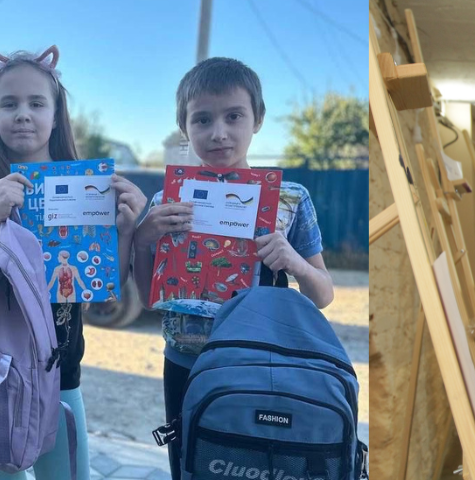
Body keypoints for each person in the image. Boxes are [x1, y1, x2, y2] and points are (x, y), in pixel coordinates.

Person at [0, 47, 148, 479]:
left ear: (56, 116)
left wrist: (127, 230)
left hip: (61, 373)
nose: (23, 114)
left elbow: (103, 286)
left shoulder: (84, 187)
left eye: (37, 103)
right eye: (9, 103)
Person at [131, 57, 335, 474]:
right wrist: (142, 239)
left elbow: (324, 295)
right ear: (183, 125)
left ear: (257, 119)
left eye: (234, 116)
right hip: (184, 365)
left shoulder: (290, 200)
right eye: (202, 119)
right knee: (190, 465)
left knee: (251, 465)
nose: (218, 132)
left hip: (261, 367)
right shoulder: (165, 204)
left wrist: (293, 261)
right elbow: (149, 301)